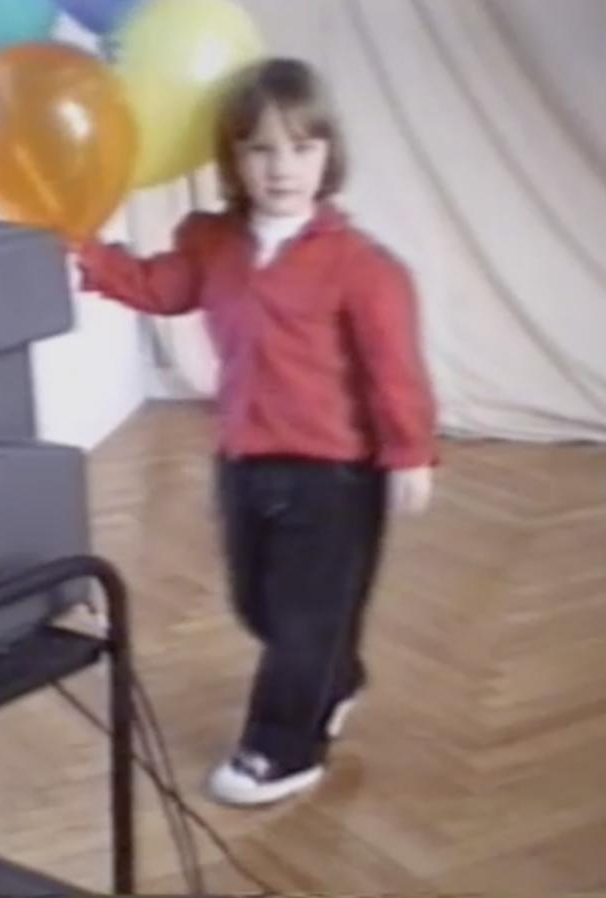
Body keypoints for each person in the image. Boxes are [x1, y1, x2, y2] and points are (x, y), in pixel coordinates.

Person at [75, 57, 437, 806]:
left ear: (327, 155)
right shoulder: (213, 243)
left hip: (336, 476)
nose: (281, 168)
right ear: (234, 158)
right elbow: (161, 287)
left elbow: (394, 369)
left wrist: (409, 452)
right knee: (260, 606)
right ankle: (334, 677)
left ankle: (282, 748)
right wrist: (90, 255)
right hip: (244, 460)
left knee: (301, 623)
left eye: (300, 149)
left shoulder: (363, 268)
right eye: (260, 149)